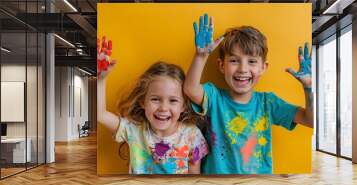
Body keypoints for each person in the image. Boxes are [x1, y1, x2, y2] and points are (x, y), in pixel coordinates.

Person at [184, 14, 313, 174]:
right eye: (234, 61)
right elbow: (190, 89)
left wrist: (308, 88)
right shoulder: (214, 97)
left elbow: (310, 120)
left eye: (252, 61)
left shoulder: (268, 103)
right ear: (221, 65)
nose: (243, 69)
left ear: (263, 67)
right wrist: (201, 56)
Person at [97, 36, 208, 174]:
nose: (163, 108)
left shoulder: (192, 135)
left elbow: (194, 178)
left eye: (173, 100)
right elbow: (100, 115)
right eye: (155, 99)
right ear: (143, 101)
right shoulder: (134, 130)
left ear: (184, 106)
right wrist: (101, 79)